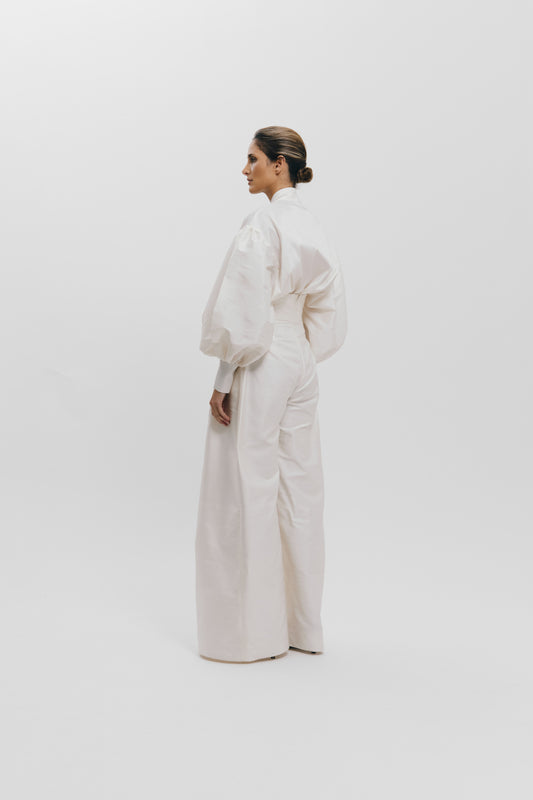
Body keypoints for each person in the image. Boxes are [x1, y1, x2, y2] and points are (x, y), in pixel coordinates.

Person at [195, 125, 347, 663]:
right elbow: (329, 309)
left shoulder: (262, 223)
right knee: (300, 488)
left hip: (263, 354)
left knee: (247, 484)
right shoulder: (313, 225)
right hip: (300, 357)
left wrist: (223, 379)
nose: (245, 169)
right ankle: (303, 626)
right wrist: (301, 348)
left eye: (253, 159)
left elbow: (243, 308)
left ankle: (253, 635)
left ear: (279, 165)